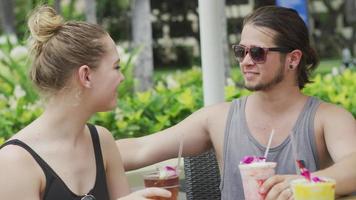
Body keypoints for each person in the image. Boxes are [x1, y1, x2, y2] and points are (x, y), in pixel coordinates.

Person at [117, 6, 356, 200]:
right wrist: (83, 147)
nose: (246, 61)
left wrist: (305, 182)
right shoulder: (219, 119)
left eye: (258, 53)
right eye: (241, 51)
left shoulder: (327, 118)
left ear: (293, 59)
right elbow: (141, 149)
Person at [0, 5, 171, 200]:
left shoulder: (102, 142)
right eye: (116, 67)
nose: (122, 78)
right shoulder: (14, 161)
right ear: (86, 76)